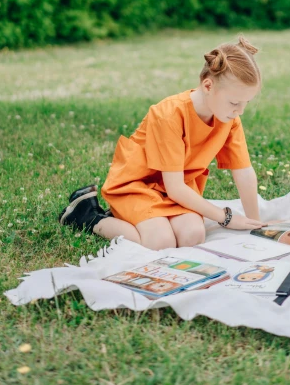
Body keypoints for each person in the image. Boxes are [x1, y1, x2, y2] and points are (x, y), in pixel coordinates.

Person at [58, 35, 266, 249]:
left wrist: (255, 223)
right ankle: (89, 216)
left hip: (177, 187)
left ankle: (141, 219)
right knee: (160, 242)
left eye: (246, 103)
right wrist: (226, 217)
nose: (240, 111)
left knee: (193, 235)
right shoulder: (169, 114)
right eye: (234, 102)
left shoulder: (229, 118)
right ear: (208, 85)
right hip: (137, 185)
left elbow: (243, 171)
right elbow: (175, 188)